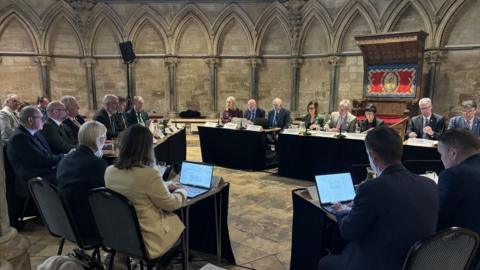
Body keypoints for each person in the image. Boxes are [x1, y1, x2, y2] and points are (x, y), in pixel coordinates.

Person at [318, 126, 438, 270]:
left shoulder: (371, 188)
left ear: (373, 156)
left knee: (324, 262)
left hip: (378, 263)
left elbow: (349, 231)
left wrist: (342, 210)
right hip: (415, 262)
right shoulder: (429, 184)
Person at [105, 124, 187, 258]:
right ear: (147, 148)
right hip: (146, 238)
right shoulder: (149, 174)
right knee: (180, 225)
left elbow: (135, 190)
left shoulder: (109, 171)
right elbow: (171, 204)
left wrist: (165, 185)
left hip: (120, 234)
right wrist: (182, 191)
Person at [57, 121, 108, 240]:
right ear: (99, 139)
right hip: (88, 225)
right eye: (104, 138)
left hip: (65, 221)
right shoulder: (96, 163)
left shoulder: (66, 159)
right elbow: (105, 195)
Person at [7, 106, 63, 197]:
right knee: (68, 177)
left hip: (43, 172)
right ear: (30, 120)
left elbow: (47, 154)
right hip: (32, 179)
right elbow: (41, 160)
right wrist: (64, 156)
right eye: (41, 118)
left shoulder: (35, 133)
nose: (44, 120)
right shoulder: (19, 138)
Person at [436, 128, 480, 234]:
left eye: (441, 154)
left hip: (464, 244)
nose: (441, 158)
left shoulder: (453, 175)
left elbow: (438, 217)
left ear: (453, 153)